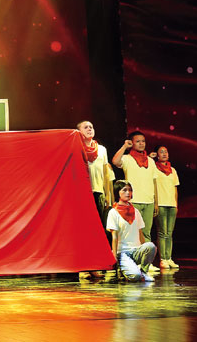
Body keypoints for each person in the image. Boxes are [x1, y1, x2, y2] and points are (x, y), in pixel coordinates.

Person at [111, 131, 159, 273]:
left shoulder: (150, 161)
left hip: (148, 200)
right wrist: (124, 147)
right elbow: (115, 161)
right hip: (134, 201)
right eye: (137, 141)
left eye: (143, 141)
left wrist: (156, 201)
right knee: (133, 233)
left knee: (147, 232)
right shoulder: (127, 158)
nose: (141, 143)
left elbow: (154, 182)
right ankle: (132, 260)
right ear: (132, 143)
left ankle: (146, 263)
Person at [76, 121, 115, 279]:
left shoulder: (102, 149)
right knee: (83, 231)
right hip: (81, 193)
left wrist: (107, 195)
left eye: (91, 126)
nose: (90, 129)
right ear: (78, 132)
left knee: (97, 231)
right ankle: (83, 266)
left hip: (98, 192)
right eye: (85, 127)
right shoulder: (76, 148)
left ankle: (95, 264)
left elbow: (106, 173)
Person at [106, 180, 157, 282]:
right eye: (124, 190)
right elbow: (114, 237)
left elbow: (140, 234)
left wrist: (144, 251)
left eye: (130, 190)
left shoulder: (136, 211)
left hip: (136, 250)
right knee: (135, 276)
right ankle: (123, 269)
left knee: (151, 246)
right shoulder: (113, 212)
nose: (128, 193)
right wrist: (114, 256)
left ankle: (144, 272)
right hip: (123, 252)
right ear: (117, 192)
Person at [150, 145, 180, 270]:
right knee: (162, 232)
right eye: (161, 152)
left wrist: (176, 204)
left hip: (171, 204)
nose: (164, 154)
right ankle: (163, 259)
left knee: (169, 233)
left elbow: (175, 188)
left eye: (166, 152)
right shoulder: (154, 168)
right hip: (161, 203)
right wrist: (155, 203)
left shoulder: (173, 170)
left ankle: (169, 258)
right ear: (157, 155)